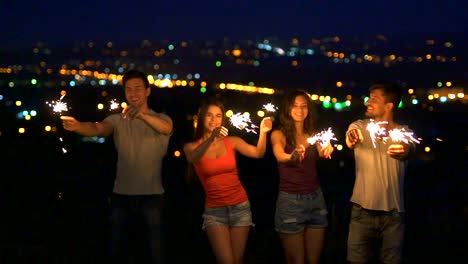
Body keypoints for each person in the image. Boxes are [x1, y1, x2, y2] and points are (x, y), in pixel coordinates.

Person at [60, 70, 173, 264]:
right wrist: (78, 126)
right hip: (121, 195)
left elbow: (167, 128)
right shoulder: (117, 120)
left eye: (138, 88)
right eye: (128, 89)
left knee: (156, 252)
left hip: (152, 196)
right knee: (116, 249)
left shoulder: (162, 119)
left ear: (148, 91)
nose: (133, 93)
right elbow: (98, 128)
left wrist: (143, 116)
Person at [183, 97, 272, 264]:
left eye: (218, 116)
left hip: (240, 207)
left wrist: (263, 133)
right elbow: (193, 158)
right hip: (215, 213)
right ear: (202, 118)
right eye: (209, 115)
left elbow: (258, 153)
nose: (213, 120)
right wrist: (211, 138)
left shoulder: (232, 142)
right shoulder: (191, 147)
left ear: (222, 119)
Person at [345, 83, 415, 264]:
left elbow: (408, 149)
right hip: (361, 213)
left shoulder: (404, 133)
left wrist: (405, 150)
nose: (368, 101)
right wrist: (353, 137)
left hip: (393, 215)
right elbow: (351, 137)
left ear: (389, 105)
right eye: (369, 97)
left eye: (375, 98)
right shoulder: (359, 126)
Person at [270, 89, 334, 264]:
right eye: (295, 106)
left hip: (316, 199)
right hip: (291, 202)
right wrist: (291, 157)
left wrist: (328, 148)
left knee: (314, 260)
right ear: (287, 109)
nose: (299, 110)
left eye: (304, 106)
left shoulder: (313, 134)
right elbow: (279, 154)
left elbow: (323, 151)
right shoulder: (279, 134)